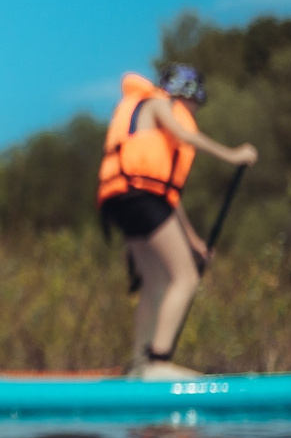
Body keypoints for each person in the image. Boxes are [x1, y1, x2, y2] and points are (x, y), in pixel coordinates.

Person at [97, 64, 256, 381]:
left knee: (155, 281)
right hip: (142, 198)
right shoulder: (158, 103)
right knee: (186, 278)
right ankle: (158, 362)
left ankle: (140, 365)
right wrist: (233, 155)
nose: (194, 109)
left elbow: (169, 199)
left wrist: (194, 242)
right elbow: (184, 134)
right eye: (195, 101)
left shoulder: (149, 118)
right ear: (184, 95)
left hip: (125, 201)